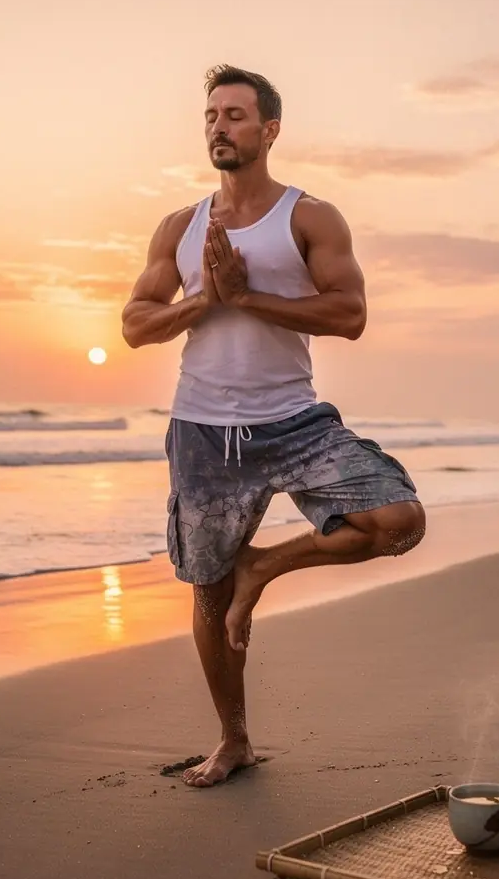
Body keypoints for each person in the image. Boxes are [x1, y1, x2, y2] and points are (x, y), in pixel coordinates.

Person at [121, 64, 426, 787]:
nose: (218, 128)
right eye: (210, 116)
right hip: (202, 431)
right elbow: (135, 325)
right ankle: (233, 741)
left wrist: (250, 296)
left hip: (293, 421)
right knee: (206, 592)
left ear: (269, 130)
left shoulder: (309, 217)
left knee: (398, 521)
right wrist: (203, 302)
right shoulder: (179, 226)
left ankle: (265, 565)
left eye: (234, 116)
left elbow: (348, 315)